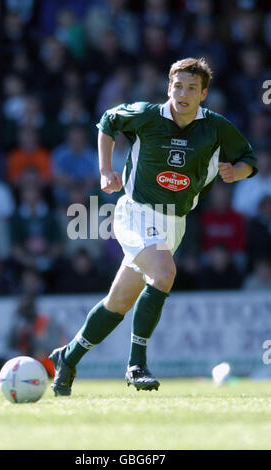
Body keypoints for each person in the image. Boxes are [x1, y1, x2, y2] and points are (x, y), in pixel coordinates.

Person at [49, 57, 258, 396]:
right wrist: (105, 170)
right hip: (136, 213)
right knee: (163, 273)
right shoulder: (147, 114)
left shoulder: (216, 127)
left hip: (174, 223)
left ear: (204, 94)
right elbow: (107, 121)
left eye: (192, 88)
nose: (183, 93)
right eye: (178, 86)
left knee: (118, 301)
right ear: (168, 87)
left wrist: (238, 172)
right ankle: (136, 364)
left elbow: (249, 158)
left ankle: (68, 358)